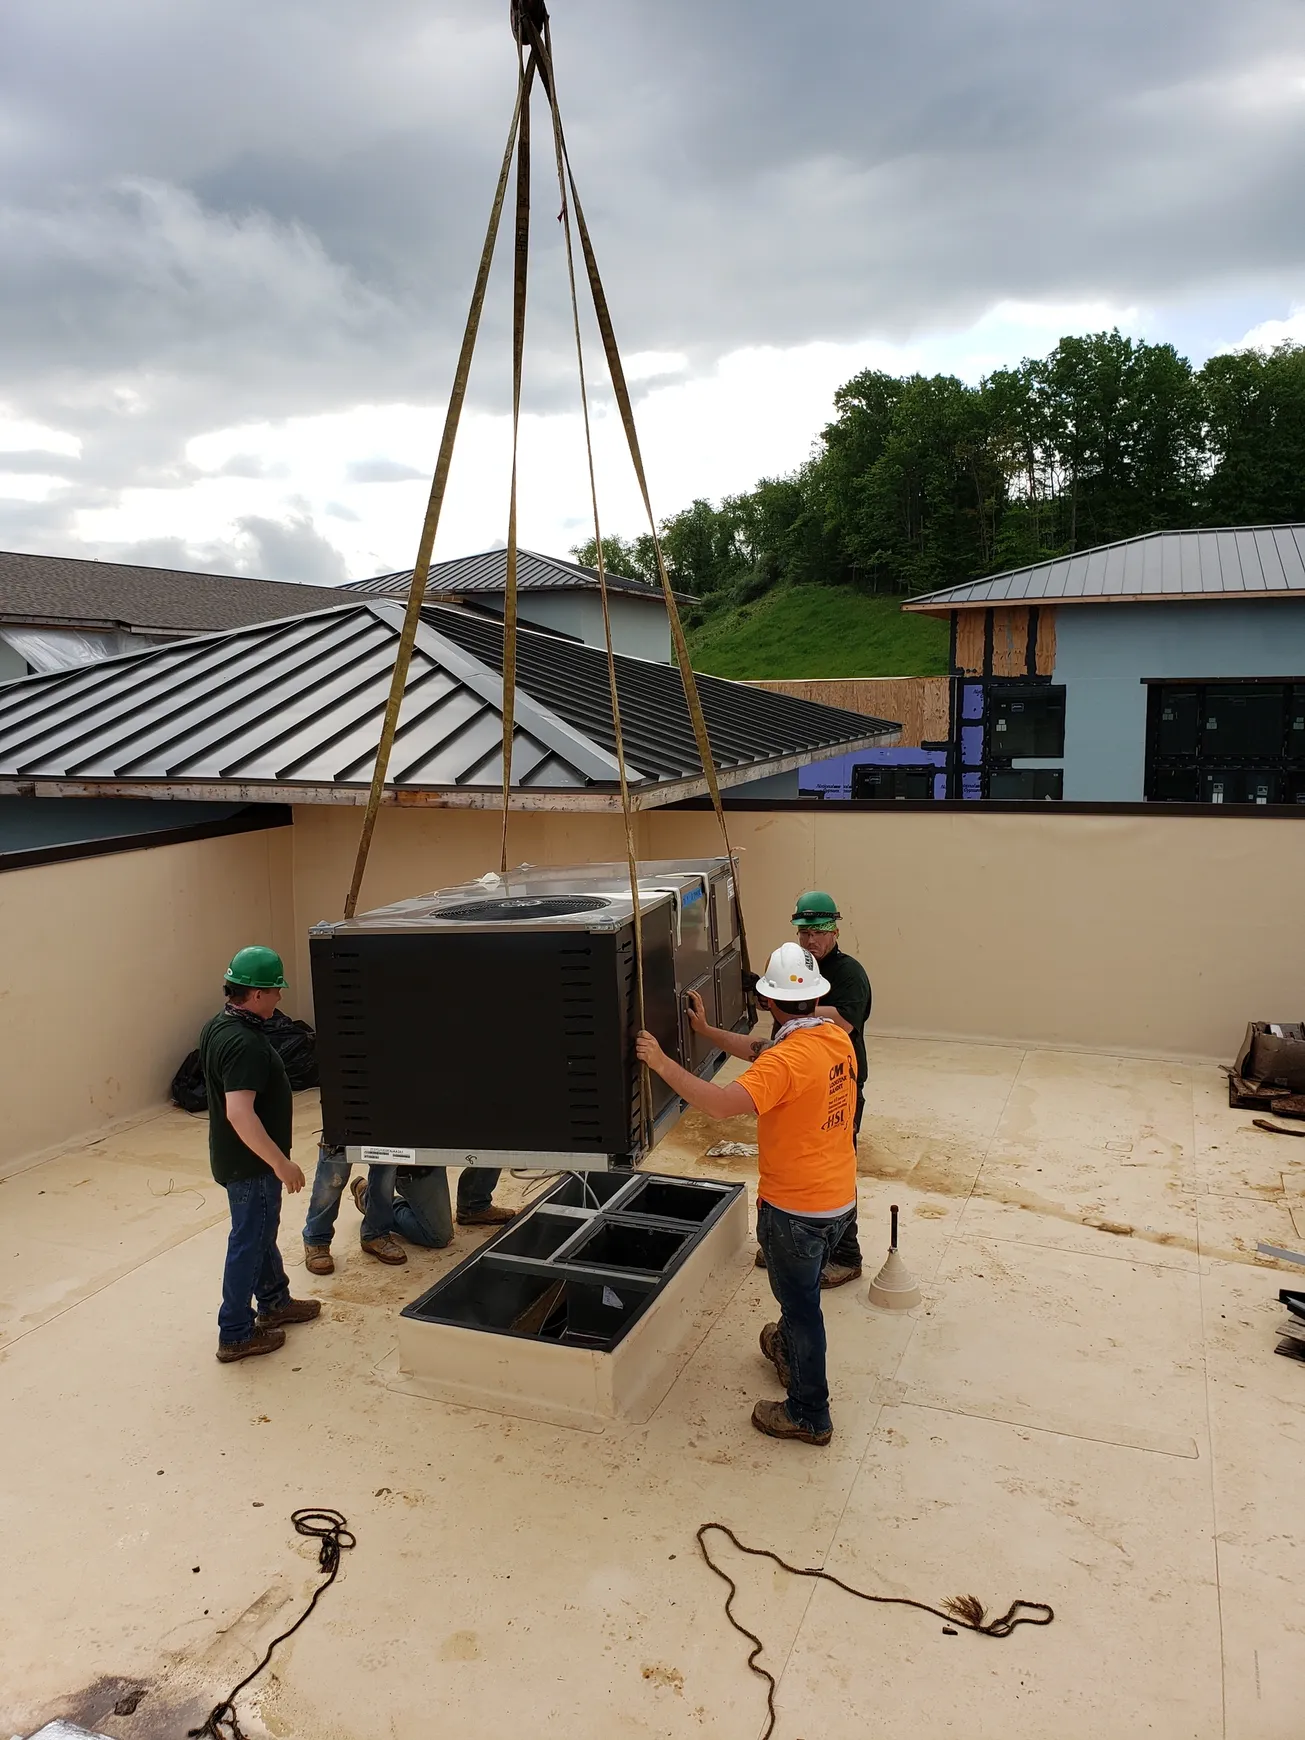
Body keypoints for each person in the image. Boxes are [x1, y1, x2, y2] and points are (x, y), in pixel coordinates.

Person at [637, 942, 857, 1447]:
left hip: (795, 1212)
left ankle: (809, 1414)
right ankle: (787, 1350)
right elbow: (762, 1051)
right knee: (800, 1297)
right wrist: (706, 1031)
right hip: (840, 1201)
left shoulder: (785, 1061)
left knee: (802, 1310)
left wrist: (662, 1063)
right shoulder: (833, 1038)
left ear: (769, 1001)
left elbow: (720, 1104)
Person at [199, 947, 318, 1363]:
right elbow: (239, 1112)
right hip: (251, 1164)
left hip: (237, 1158)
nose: (280, 997)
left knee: (260, 1232)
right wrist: (280, 1163)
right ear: (255, 994)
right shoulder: (244, 1043)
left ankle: (275, 1301)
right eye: (275, 990)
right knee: (248, 1242)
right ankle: (235, 1333)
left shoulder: (219, 1025)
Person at [789, 891, 871, 1287]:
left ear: (835, 931)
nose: (810, 941)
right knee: (799, 1164)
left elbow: (845, 1020)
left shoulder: (848, 973)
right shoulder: (796, 967)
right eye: (804, 932)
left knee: (835, 1168)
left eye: (818, 932)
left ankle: (846, 1254)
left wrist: (790, 1003)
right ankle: (797, 1244)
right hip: (804, 1081)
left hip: (840, 1084)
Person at [303, 1152, 515, 1272]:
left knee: (502, 1122)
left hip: (434, 1139)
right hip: (411, 1145)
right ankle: (318, 1237)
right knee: (336, 1166)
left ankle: (474, 1204)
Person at [347, 1163, 497, 1250]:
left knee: (502, 1129)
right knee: (438, 1236)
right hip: (420, 1160)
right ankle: (372, 1202)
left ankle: (474, 1204)